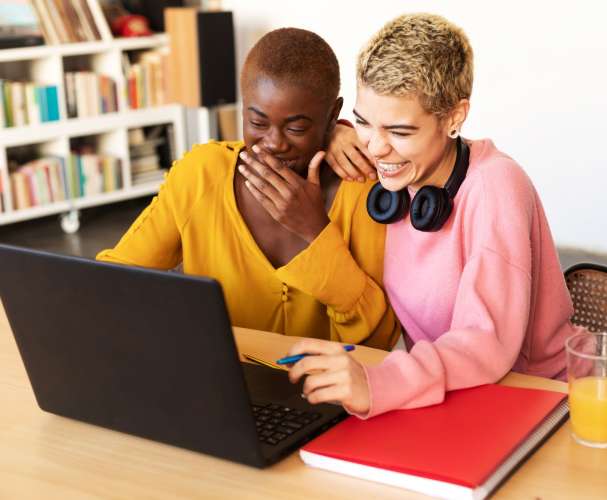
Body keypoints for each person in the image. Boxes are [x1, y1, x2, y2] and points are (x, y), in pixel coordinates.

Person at [282, 14, 582, 417]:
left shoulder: (496, 186)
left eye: (401, 132)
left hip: (546, 399)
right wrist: (334, 133)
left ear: (455, 117)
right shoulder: (391, 174)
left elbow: (485, 341)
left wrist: (378, 383)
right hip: (459, 397)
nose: (376, 148)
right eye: (365, 122)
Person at [97, 28, 401, 350]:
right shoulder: (200, 174)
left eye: (296, 128)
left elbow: (379, 339)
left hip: (330, 392)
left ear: (332, 117)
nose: (274, 143)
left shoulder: (364, 189)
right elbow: (115, 281)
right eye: (257, 123)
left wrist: (316, 232)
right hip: (219, 383)